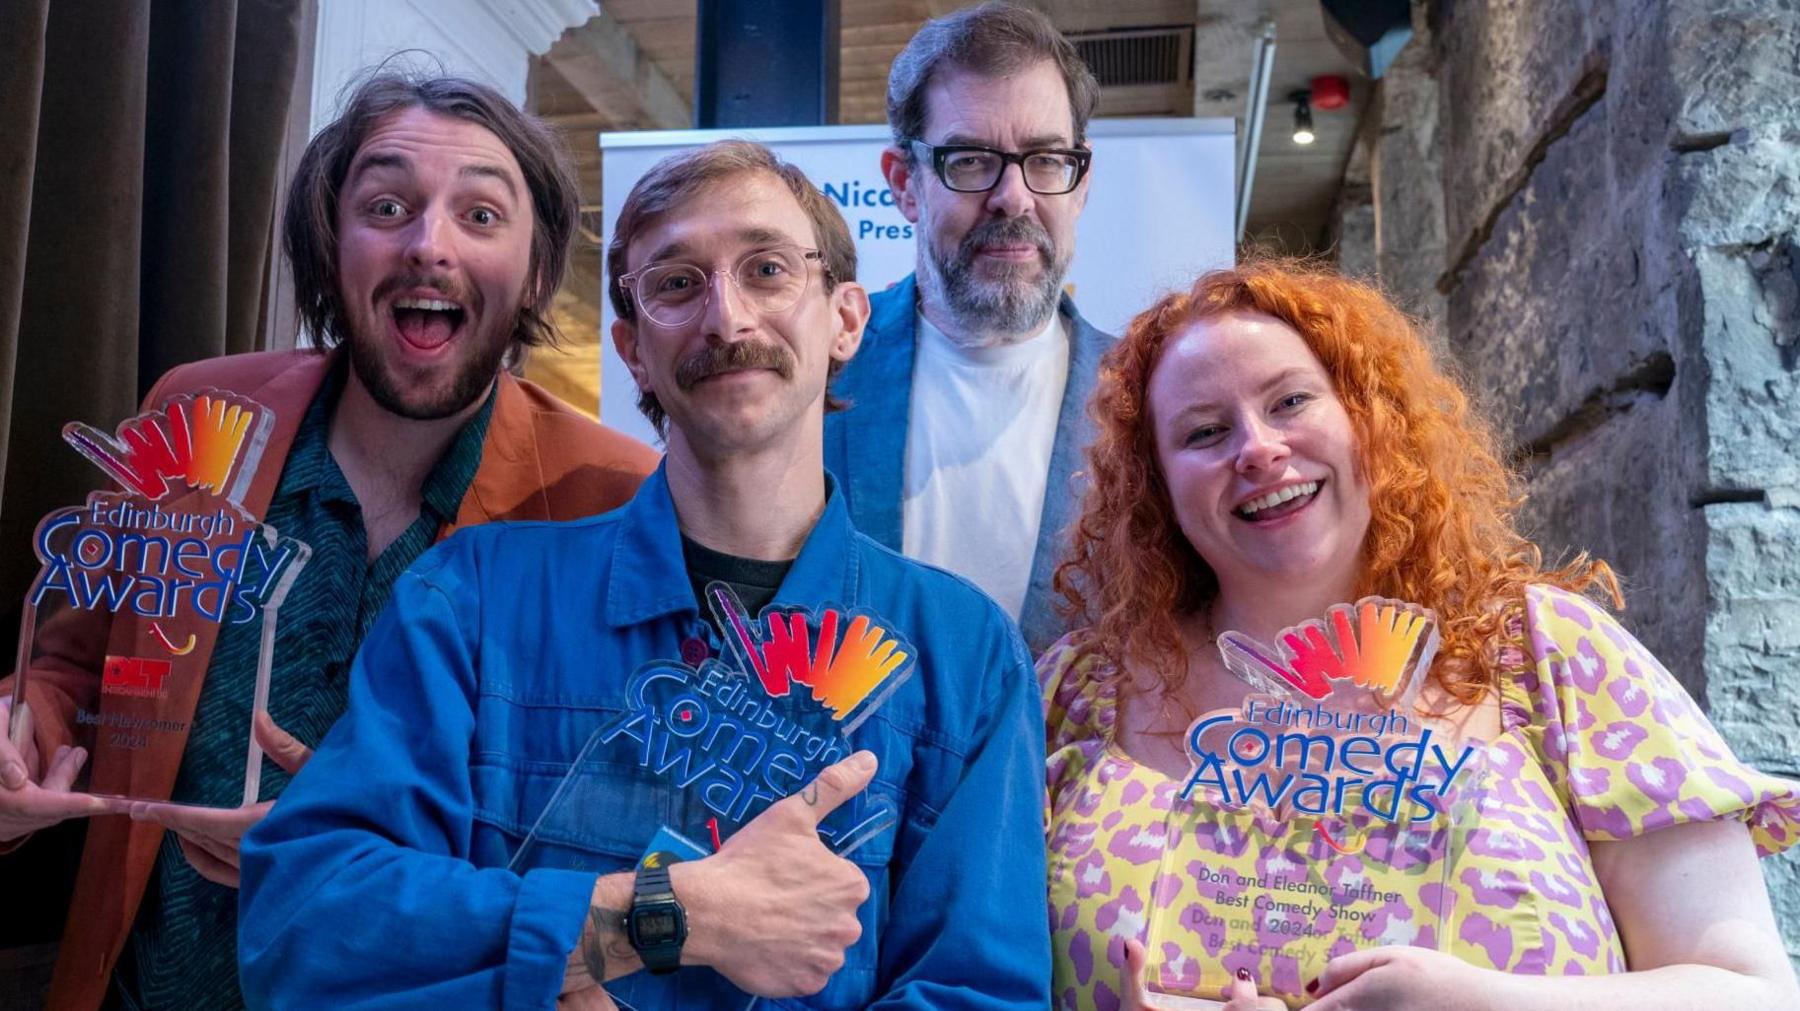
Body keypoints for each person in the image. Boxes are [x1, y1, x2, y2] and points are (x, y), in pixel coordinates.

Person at [238, 139, 1050, 1010]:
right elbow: (307, 928)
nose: (727, 318)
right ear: (630, 349)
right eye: (675, 283)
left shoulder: (963, 656)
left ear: (846, 318)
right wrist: (666, 915)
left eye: (768, 269)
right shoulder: (471, 601)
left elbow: (981, 992)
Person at [0, 72, 658, 1010]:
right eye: (386, 205)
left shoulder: (607, 495)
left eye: (480, 215)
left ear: (537, 272)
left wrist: (347, 843)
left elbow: (600, 820)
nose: (429, 244)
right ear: (327, 243)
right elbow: (79, 664)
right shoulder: (200, 412)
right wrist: (27, 729)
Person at [1040, 259, 1800, 1010]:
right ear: (1156, 485)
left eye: (1292, 401)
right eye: (1205, 432)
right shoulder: (1076, 693)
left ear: (1370, 417)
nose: (1258, 448)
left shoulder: (1544, 652)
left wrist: (1481, 1003)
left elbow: (1751, 993)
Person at [824, 1, 1113, 653]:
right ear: (904, 183)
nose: (1014, 196)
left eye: (1044, 159)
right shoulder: (812, 373)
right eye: (972, 160)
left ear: (1081, 181)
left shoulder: (1150, 400)